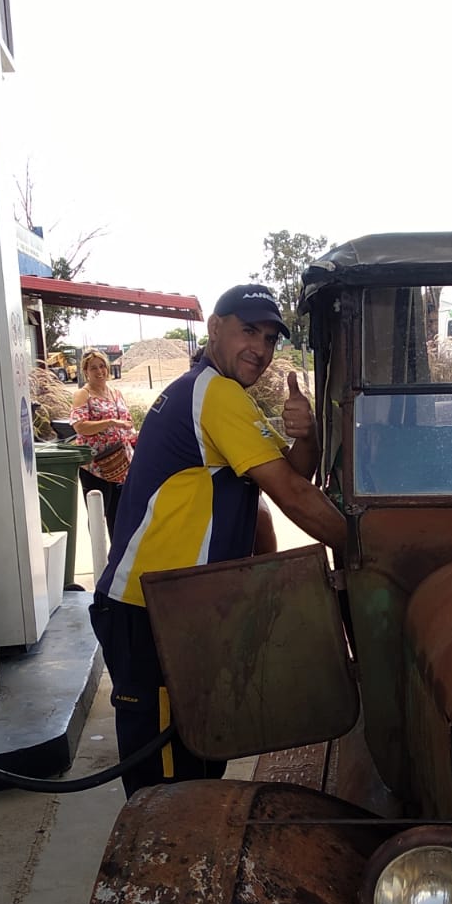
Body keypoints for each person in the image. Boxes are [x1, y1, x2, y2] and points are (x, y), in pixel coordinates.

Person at [90, 283, 347, 796]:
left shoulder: (216, 394)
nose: (262, 347)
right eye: (249, 330)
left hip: (185, 606)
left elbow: (290, 468)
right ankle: (164, 871)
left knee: (198, 757)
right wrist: (369, 548)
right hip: (150, 611)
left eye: (271, 337)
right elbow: (293, 494)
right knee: (164, 786)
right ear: (214, 329)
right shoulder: (214, 393)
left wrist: (309, 435)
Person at [69, 349, 134, 533]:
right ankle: (99, 557)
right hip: (96, 468)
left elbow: (127, 423)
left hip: (121, 465)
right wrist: (110, 422)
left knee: (120, 516)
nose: (99, 371)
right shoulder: (83, 395)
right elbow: (79, 426)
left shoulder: (116, 393)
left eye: (102, 366)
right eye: (93, 368)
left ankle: (117, 557)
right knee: (98, 516)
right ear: (85, 372)